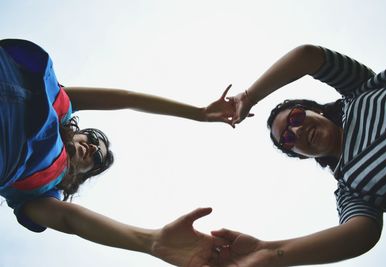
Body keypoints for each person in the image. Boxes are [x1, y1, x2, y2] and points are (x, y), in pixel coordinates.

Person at [0, 39, 234, 266]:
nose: (92, 148)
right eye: (93, 139)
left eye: (97, 158)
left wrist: (152, 241)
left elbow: (70, 220)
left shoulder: (40, 194)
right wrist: (198, 113)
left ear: (81, 174)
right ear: (78, 130)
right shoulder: (61, 106)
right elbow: (126, 99)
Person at [212, 44, 386, 266]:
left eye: (296, 118)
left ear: (315, 109)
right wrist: (269, 252)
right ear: (301, 155)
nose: (297, 131)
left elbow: (308, 56)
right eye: (288, 140)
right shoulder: (351, 189)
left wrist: (249, 96)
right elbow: (360, 235)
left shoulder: (359, 90)